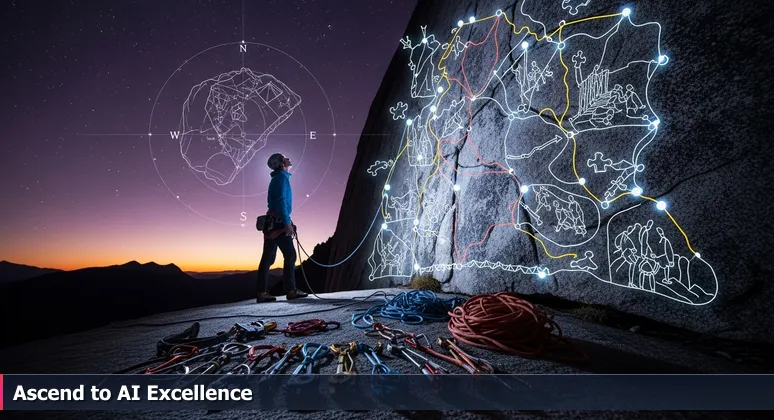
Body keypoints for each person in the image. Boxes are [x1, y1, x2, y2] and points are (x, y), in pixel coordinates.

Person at [255, 153, 308, 303]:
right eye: (285, 157)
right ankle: (291, 291)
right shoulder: (281, 178)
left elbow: (278, 202)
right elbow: (281, 201)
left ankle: (261, 292)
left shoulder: (277, 178)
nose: (288, 158)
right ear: (282, 163)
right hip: (279, 222)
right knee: (290, 255)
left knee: (267, 258)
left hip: (271, 223)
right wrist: (287, 223)